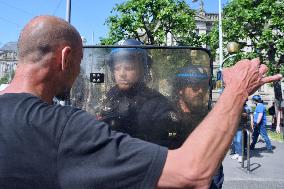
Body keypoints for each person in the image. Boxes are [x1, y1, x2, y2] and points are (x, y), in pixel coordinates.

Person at [0, 15, 282, 189]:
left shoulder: (158, 104)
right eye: (79, 63)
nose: (122, 71)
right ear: (64, 58)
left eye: (129, 64)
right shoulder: (66, 126)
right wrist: (237, 90)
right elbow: (191, 171)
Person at [100, 39, 181, 149]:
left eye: (129, 68)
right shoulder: (110, 98)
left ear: (143, 69)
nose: (122, 74)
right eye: (117, 68)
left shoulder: (158, 104)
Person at [174, 65, 224, 189]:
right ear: (181, 88)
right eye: (195, 86)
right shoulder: (167, 113)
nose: (201, 91)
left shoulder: (209, 112)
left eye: (203, 87)